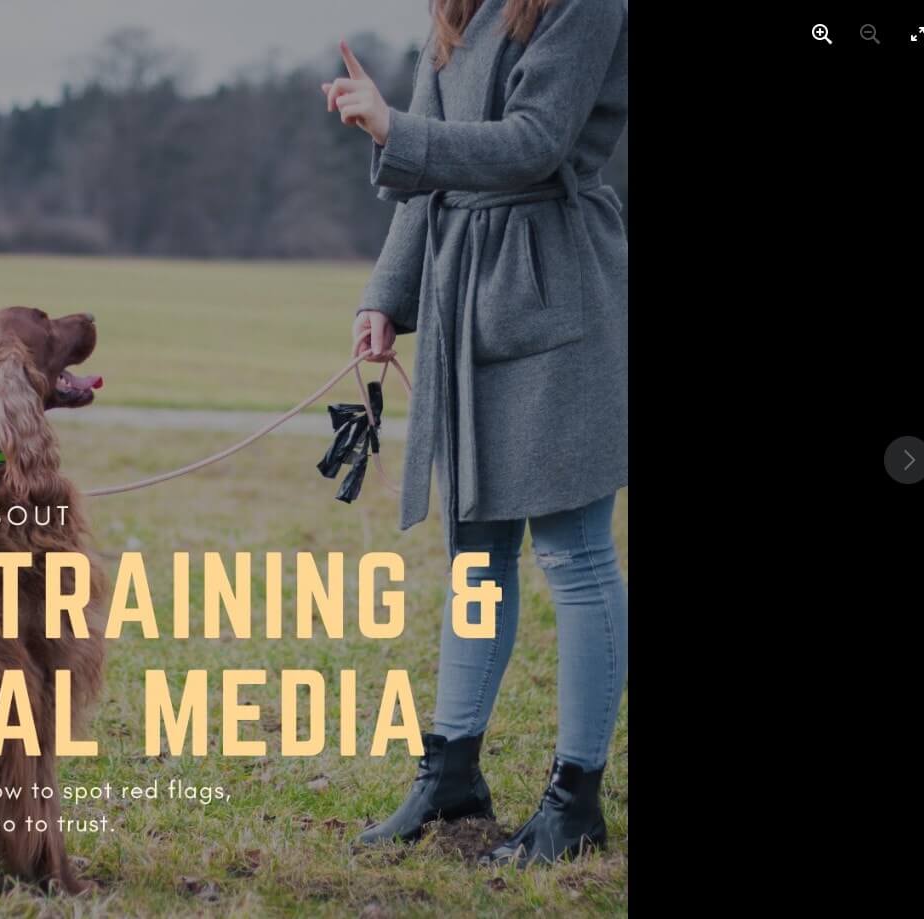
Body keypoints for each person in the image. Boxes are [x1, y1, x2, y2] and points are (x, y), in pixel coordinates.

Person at [323, 0, 628, 866]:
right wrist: (386, 295)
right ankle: (452, 771)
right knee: (476, 554)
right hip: (465, 297)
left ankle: (577, 798)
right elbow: (428, 177)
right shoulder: (457, 10)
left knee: (574, 553)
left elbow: (535, 140)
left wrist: (394, 124)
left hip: (556, 289)